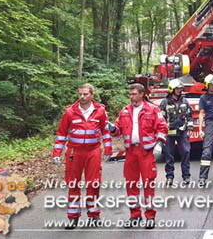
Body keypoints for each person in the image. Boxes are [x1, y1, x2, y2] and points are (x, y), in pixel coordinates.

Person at [52, 83, 113, 229]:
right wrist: (57, 153)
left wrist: (108, 150)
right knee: (73, 184)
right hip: (75, 152)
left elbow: (105, 132)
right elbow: (61, 133)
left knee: (93, 183)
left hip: (93, 151)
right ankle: (73, 217)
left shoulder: (100, 111)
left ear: (92, 95)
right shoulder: (70, 112)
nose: (82, 97)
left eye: (85, 94)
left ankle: (94, 215)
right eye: (80, 94)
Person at [112, 83, 167, 229]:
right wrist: (111, 128)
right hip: (130, 153)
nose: (131, 97)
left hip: (146, 152)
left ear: (142, 94)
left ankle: (150, 216)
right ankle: (134, 215)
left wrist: (159, 145)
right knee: (131, 185)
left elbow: (162, 127)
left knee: (148, 184)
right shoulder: (125, 111)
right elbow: (117, 130)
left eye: (134, 94)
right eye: (130, 94)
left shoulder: (153, 110)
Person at [160, 79, 193, 186]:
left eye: (180, 88)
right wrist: (162, 132)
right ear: (172, 90)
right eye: (177, 88)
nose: (180, 90)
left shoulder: (185, 102)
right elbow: (162, 118)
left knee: (186, 152)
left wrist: (190, 127)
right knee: (169, 155)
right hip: (169, 133)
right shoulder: (164, 103)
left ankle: (186, 176)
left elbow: (189, 115)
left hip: (182, 131)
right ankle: (169, 177)